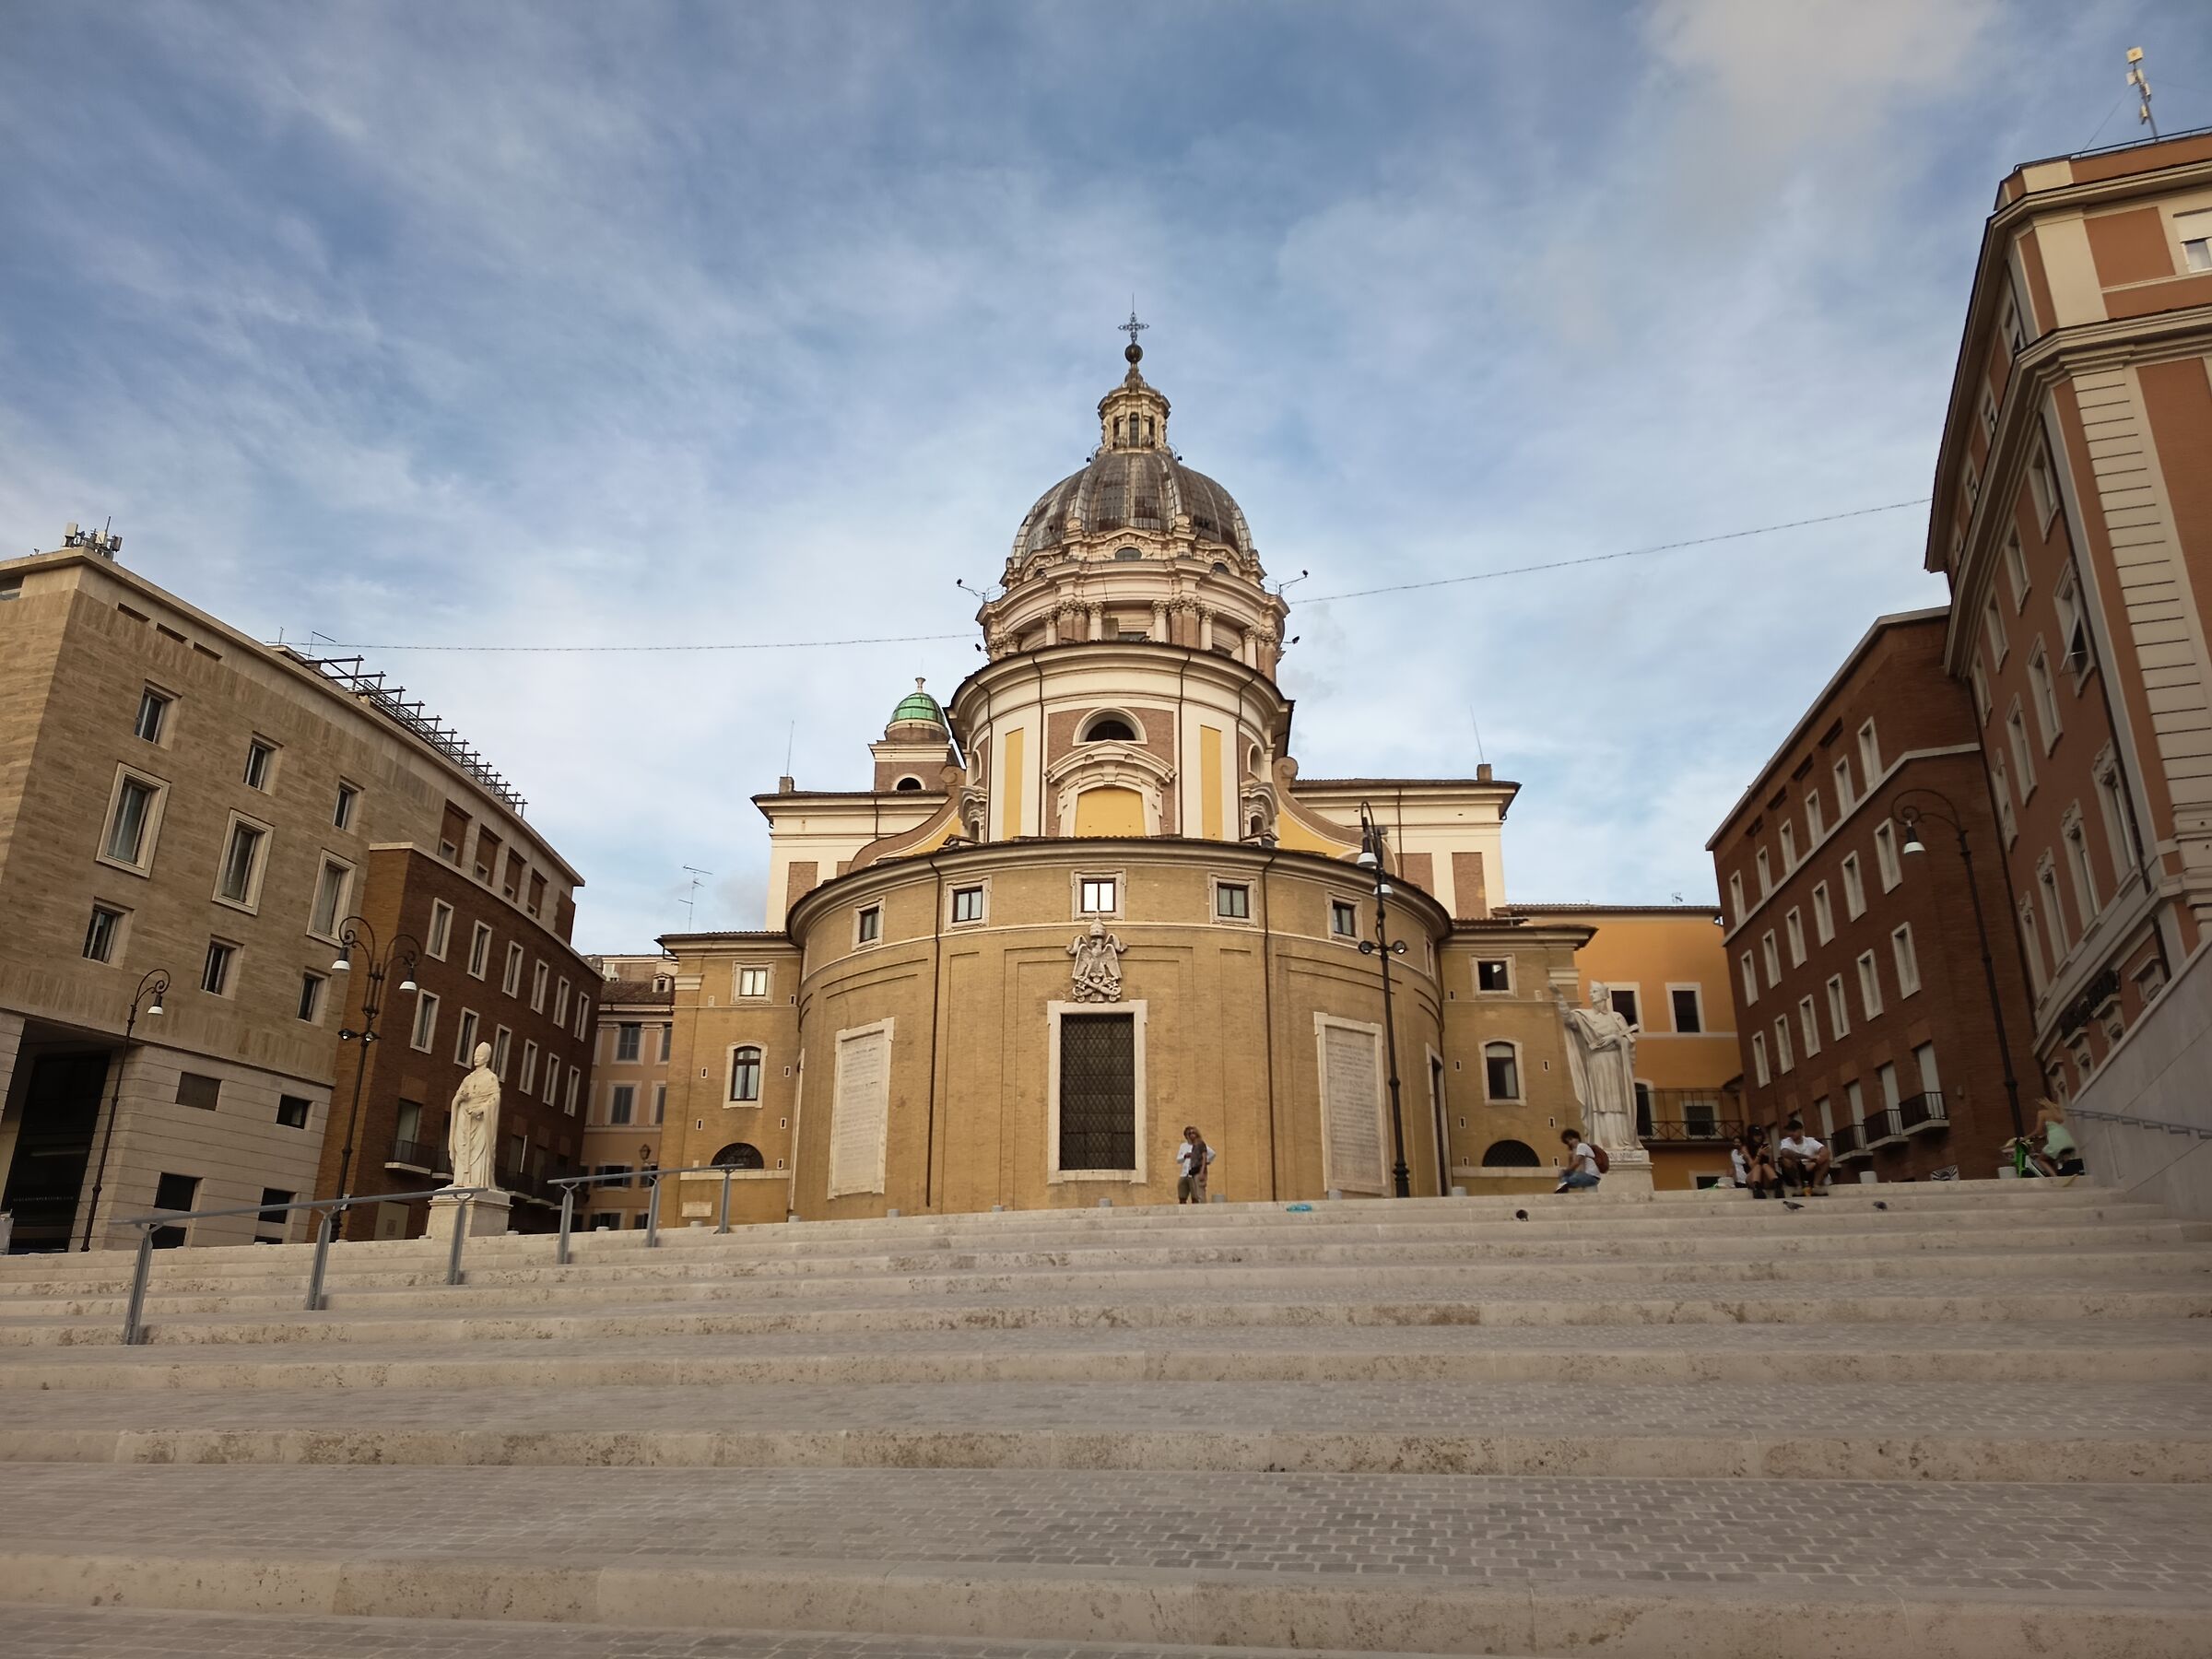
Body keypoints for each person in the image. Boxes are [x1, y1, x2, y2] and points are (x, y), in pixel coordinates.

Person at [1775, 1119, 1830, 1196]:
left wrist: (1815, 1162)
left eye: (1794, 1130)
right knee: (1786, 1160)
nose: (1791, 1133)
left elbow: (1826, 1152)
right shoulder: (1786, 1142)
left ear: (1801, 1130)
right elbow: (1785, 1153)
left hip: (1810, 1170)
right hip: (1795, 1172)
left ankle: (1816, 1186)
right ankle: (1799, 1186)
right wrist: (1807, 1157)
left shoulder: (1810, 1141)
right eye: (1789, 1131)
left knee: (1826, 1161)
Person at [2036, 1100, 2085, 1177]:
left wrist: (2026, 1138)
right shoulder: (2055, 1117)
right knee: (2055, 1158)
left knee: (2041, 1159)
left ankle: (2056, 1178)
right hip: (2068, 1141)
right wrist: (2045, 1135)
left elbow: (2038, 1131)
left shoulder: (2042, 1113)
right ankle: (2070, 1172)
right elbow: (2055, 1129)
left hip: (2057, 1143)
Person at [1176, 1125, 1215, 1204]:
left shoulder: (1199, 1144)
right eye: (1188, 1134)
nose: (1190, 1136)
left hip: (1195, 1172)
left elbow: (1212, 1154)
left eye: (1192, 1133)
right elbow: (1178, 1159)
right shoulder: (1183, 1146)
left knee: (1196, 1194)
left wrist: (1205, 1162)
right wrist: (1185, 1156)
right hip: (1184, 1173)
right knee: (1182, 1193)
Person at [1556, 1128, 1602, 1193]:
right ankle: (1563, 1186)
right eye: (1568, 1142)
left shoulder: (1581, 1146)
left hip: (1591, 1177)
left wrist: (1564, 1171)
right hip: (1587, 1176)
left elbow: (1576, 1163)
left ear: (1577, 1138)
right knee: (1566, 1177)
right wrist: (1570, 1156)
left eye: (1571, 1139)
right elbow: (1574, 1167)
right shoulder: (1578, 1149)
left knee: (1565, 1177)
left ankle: (1562, 1187)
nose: (1570, 1143)